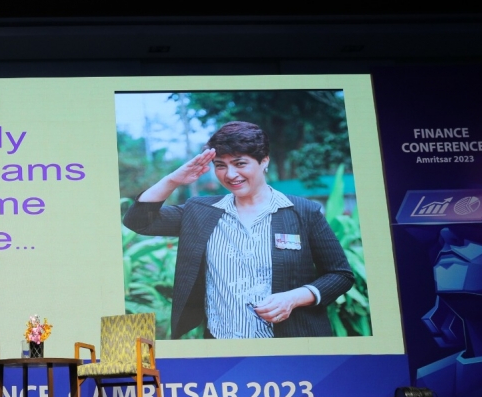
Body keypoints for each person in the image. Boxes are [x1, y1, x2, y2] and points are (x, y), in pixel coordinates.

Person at [123, 121, 354, 339]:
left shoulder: (303, 212)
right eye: (220, 165)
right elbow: (139, 221)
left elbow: (340, 274)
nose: (230, 174)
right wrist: (173, 179)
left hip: (290, 344)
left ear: (264, 161)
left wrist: (293, 298)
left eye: (240, 163)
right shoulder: (200, 212)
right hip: (221, 343)